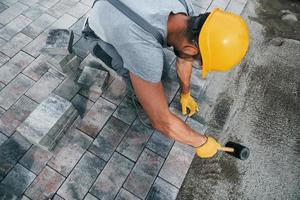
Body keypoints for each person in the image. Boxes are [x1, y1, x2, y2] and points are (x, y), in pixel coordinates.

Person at [84, 0, 249, 158]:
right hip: (96, 35)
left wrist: (185, 93)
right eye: (199, 61)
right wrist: (202, 142)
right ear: (191, 49)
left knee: (155, 70)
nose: (195, 63)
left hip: (118, 12)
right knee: (141, 71)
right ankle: (143, 103)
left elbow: (185, 57)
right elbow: (162, 121)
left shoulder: (184, 11)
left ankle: (146, 91)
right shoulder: (143, 49)